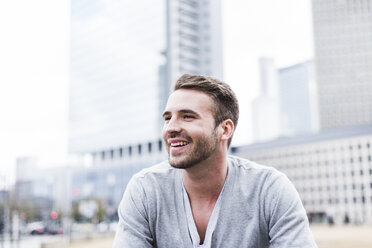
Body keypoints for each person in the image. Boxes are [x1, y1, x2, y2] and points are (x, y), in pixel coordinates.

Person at [113, 74, 318, 248]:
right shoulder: (145, 190)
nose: (170, 128)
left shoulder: (270, 189)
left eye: (187, 116)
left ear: (225, 129)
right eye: (167, 118)